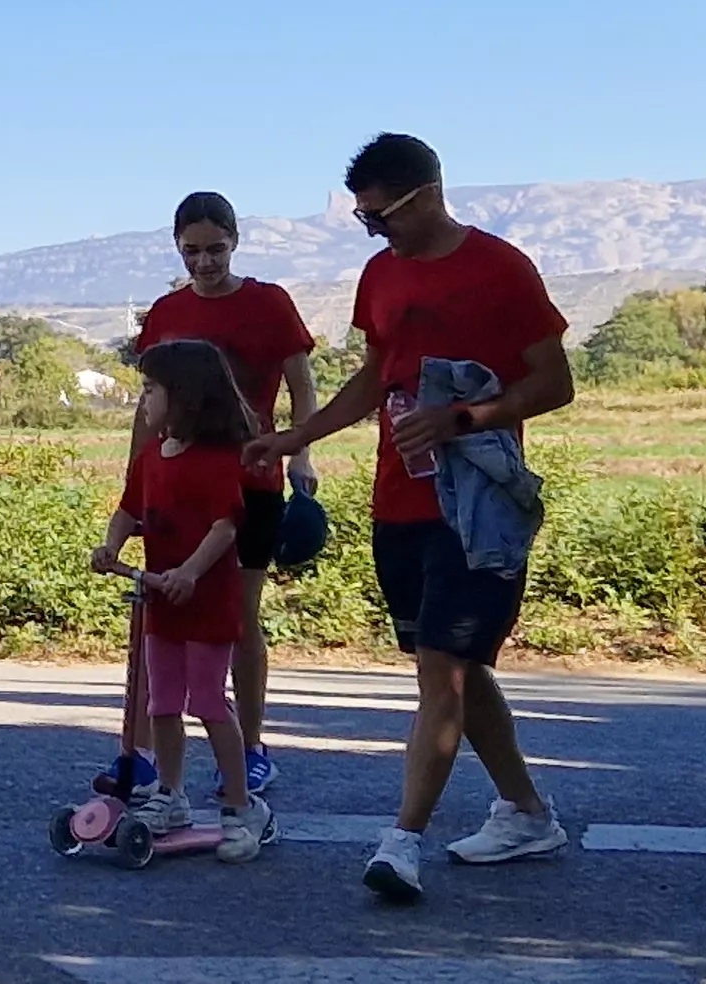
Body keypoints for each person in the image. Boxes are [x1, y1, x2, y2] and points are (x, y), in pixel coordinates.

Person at [246, 133, 577, 903]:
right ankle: (528, 813)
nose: (373, 230)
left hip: (476, 510)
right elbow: (375, 376)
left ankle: (402, 842)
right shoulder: (381, 275)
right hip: (398, 503)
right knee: (455, 668)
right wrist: (298, 436)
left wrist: (467, 417)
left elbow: (555, 383)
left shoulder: (501, 268)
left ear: (426, 195)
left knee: (443, 669)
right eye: (363, 218)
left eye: (380, 215)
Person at [130, 190, 321, 793]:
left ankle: (251, 746)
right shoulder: (166, 312)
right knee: (161, 618)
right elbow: (146, 404)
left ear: (235, 241)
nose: (204, 262)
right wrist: (136, 479)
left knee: (238, 614)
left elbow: (302, 385)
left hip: (251, 479)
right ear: (177, 247)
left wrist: (300, 451)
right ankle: (144, 756)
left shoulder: (269, 303)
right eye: (192, 251)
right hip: (177, 487)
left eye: (215, 249)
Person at [93, 338, 277, 861]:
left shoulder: (217, 462)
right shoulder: (152, 457)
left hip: (207, 601)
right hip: (162, 602)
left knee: (208, 702)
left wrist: (190, 573)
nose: (143, 401)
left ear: (187, 396)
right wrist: (111, 546)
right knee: (163, 701)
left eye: (151, 389)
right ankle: (170, 795)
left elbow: (225, 527)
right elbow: (128, 510)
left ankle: (242, 808)